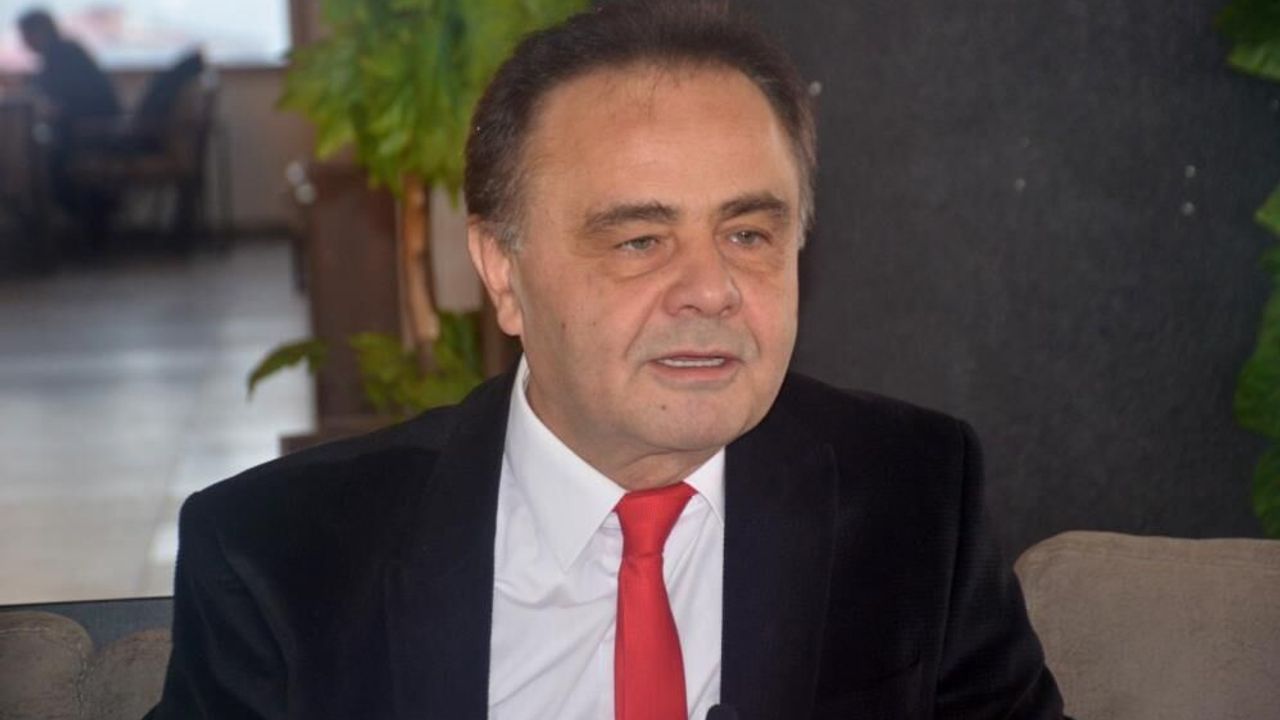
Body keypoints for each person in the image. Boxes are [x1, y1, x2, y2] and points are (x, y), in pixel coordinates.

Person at [148, 2, 1066, 718]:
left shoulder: (914, 499)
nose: (710, 290)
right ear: (503, 272)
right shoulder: (282, 563)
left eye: (748, 233)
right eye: (638, 241)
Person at [17, 8, 119, 252]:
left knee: (42, 169)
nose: (24, 42)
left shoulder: (61, 56)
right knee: (37, 165)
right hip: (85, 132)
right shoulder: (62, 53)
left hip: (92, 135)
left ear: (38, 32)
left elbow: (61, 104)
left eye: (25, 35)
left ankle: (96, 217)